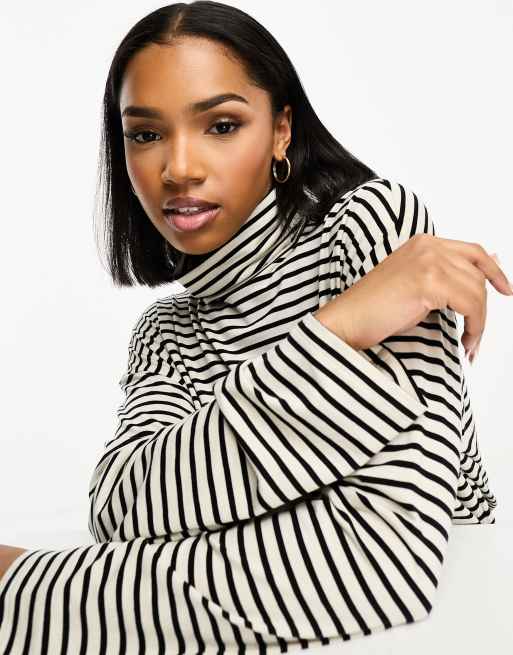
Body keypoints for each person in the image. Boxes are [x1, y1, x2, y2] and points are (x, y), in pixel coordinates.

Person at [0, 1, 509, 653]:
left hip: (462, 618)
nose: (179, 168)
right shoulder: (165, 333)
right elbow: (121, 511)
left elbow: (381, 561)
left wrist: (22, 584)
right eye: (145, 134)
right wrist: (339, 328)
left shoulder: (376, 229)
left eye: (221, 124)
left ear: (280, 131)